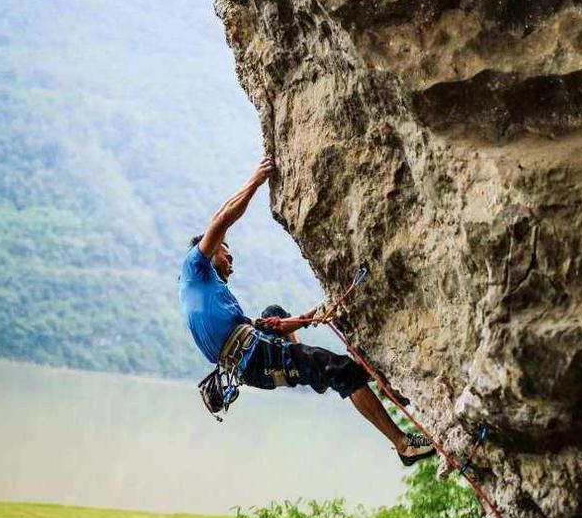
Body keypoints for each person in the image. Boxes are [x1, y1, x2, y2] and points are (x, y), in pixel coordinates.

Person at [178, 155, 436, 466]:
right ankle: (404, 445)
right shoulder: (195, 268)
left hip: (253, 351)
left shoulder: (208, 291)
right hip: (257, 361)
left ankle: (312, 374)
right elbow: (221, 220)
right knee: (343, 372)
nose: (231, 264)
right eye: (227, 256)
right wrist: (255, 181)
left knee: (274, 312)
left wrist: (312, 316)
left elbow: (267, 324)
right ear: (211, 250)